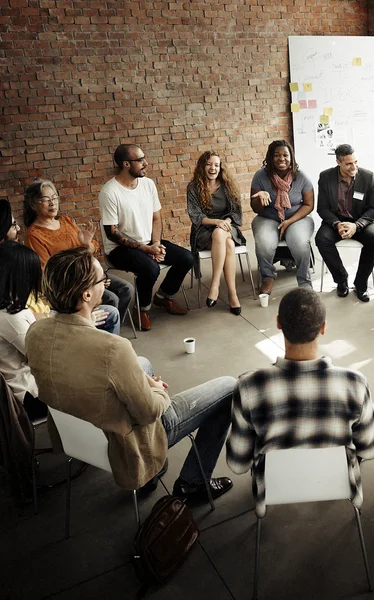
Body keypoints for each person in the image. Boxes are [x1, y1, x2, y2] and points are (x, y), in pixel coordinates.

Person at [26, 247, 236, 503]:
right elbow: (150, 412)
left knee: (142, 363)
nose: (107, 281)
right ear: (87, 294)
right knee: (230, 387)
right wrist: (157, 388)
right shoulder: (113, 348)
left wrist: (139, 375)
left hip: (78, 435)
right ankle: (193, 483)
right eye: (102, 277)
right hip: (125, 441)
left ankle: (150, 476)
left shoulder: (36, 331)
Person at [226, 288, 374, 517]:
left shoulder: (249, 387)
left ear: (278, 324)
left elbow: (238, 464)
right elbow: (369, 450)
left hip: (272, 490)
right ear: (323, 327)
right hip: (338, 485)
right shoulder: (355, 383)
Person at [99, 144, 195, 331]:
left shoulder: (148, 184)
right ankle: (142, 309)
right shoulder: (109, 192)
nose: (146, 163)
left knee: (187, 258)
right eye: (140, 160)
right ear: (126, 164)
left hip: (148, 242)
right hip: (119, 249)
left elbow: (156, 217)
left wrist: (156, 244)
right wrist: (146, 250)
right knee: (150, 268)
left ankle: (162, 297)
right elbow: (112, 232)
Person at [23, 180, 134, 322]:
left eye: (55, 197)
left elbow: (92, 248)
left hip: (89, 272)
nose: (52, 202)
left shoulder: (66, 221)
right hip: (70, 285)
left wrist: (86, 245)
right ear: (33, 204)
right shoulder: (34, 235)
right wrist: (92, 281)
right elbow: (48, 272)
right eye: (46, 199)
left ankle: (111, 326)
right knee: (111, 299)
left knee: (126, 289)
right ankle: (93, 332)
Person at [315, 144, 374, 302]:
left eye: (356, 162)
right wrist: (337, 224)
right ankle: (341, 279)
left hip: (360, 221)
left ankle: (361, 283)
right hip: (336, 220)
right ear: (338, 162)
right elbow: (322, 208)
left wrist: (357, 225)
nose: (354, 166)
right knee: (321, 239)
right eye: (349, 163)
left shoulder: (368, 177)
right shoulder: (325, 177)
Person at [250, 140, 315, 294]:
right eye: (277, 155)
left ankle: (304, 282)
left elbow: (309, 205)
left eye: (285, 155)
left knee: (300, 242)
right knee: (264, 243)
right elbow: (255, 208)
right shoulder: (260, 176)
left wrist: (289, 222)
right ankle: (268, 277)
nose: (282, 158)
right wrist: (259, 198)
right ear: (270, 158)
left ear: (291, 157)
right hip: (268, 217)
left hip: (297, 217)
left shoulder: (301, 177)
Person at [187, 151, 245, 315]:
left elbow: (236, 212)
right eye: (209, 164)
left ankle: (215, 285)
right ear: (202, 167)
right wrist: (216, 222)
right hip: (204, 230)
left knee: (222, 235)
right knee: (228, 243)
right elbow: (196, 216)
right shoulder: (193, 187)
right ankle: (232, 294)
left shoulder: (228, 185)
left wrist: (225, 222)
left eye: (216, 165)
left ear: (221, 168)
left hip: (227, 226)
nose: (213, 168)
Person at [0, 242, 47, 420]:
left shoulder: (10, 307)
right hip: (27, 396)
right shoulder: (10, 317)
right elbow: (44, 359)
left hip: (25, 385)